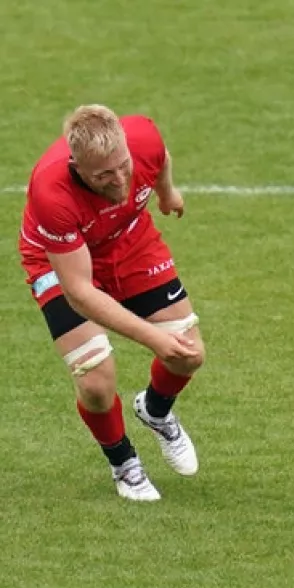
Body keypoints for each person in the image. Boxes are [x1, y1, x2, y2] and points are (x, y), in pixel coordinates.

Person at [18, 104, 205, 502]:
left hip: (128, 237)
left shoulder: (143, 138)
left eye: (123, 165)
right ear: (78, 167)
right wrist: (152, 339)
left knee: (189, 355)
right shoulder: (52, 194)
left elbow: (161, 158)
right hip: (60, 258)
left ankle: (155, 410)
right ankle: (124, 463)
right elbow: (81, 294)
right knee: (95, 379)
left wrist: (168, 193)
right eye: (103, 174)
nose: (120, 179)